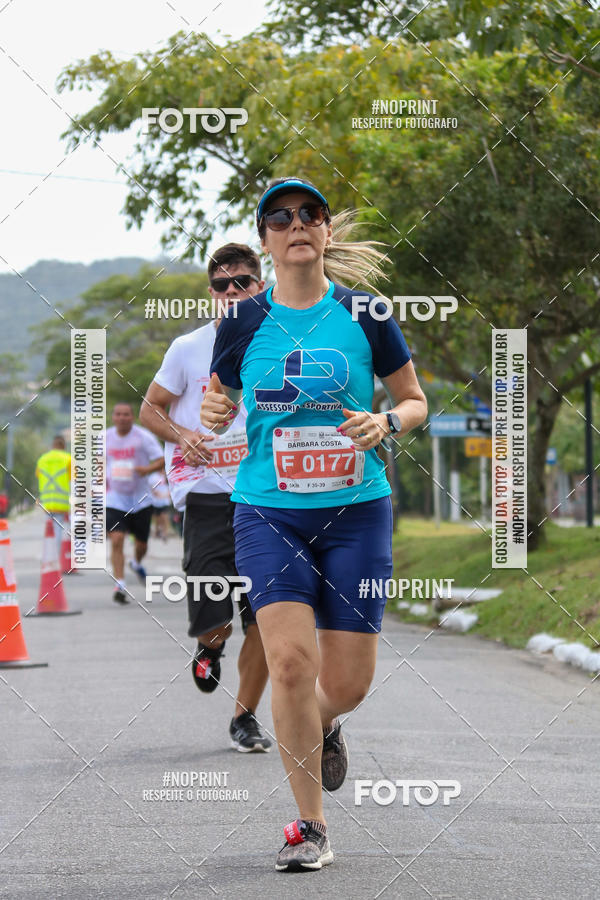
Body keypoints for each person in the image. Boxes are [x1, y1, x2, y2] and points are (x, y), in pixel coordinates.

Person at [201, 177, 428, 872]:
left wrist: (387, 421)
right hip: (268, 512)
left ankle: (322, 722)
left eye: (310, 214)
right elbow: (218, 399)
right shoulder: (242, 321)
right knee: (292, 665)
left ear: (326, 231)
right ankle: (310, 826)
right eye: (280, 217)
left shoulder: (366, 312)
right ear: (266, 240)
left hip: (357, 513)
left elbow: (414, 400)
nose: (296, 223)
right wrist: (214, 411)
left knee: (348, 684)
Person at [140, 243, 271, 752]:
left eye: (243, 282)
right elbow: (151, 408)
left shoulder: (282, 341)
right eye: (222, 284)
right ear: (211, 292)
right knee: (216, 617)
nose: (232, 291)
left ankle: (244, 718)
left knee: (266, 617)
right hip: (207, 494)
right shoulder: (188, 347)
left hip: (269, 496)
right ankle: (209, 648)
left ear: (261, 286)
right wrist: (183, 435)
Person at [105, 403, 164, 604]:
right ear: (113, 417)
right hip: (114, 498)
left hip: (141, 499)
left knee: (142, 544)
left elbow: (161, 459)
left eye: (126, 415)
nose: (122, 418)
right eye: (118, 414)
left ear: (132, 417)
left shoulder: (143, 437)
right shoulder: (104, 438)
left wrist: (146, 470)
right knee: (117, 539)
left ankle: (136, 562)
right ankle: (120, 584)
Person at [35, 435, 71, 560]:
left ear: (52, 445)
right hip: (61, 501)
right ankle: (56, 555)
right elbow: (73, 480)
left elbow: (38, 476)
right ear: (64, 446)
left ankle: (49, 555)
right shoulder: (68, 459)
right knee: (59, 529)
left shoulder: (42, 459)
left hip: (47, 502)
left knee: (49, 529)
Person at [149, 471, 172, 540]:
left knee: (164, 516)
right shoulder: (153, 476)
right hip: (156, 501)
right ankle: (157, 531)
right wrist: (154, 492)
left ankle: (165, 533)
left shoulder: (167, 474)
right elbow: (150, 487)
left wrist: (168, 494)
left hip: (165, 500)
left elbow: (171, 486)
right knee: (157, 517)